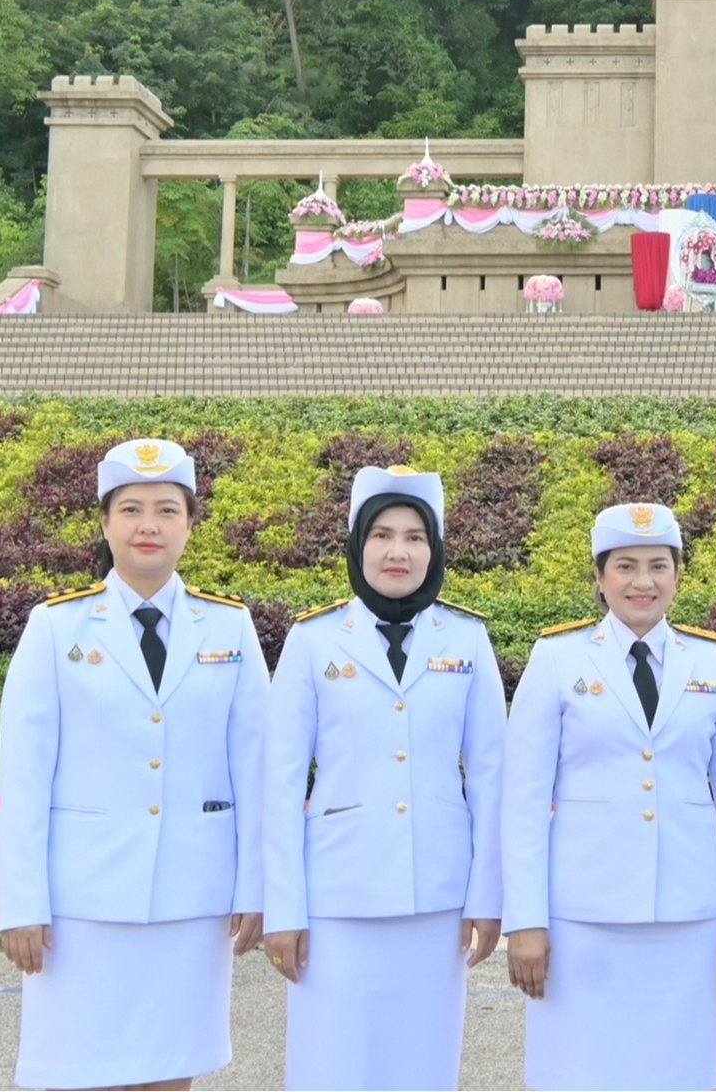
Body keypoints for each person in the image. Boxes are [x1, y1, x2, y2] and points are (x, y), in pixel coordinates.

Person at [0, 438, 268, 1091]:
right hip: (81, 903)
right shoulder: (56, 628)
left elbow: (256, 766)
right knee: (78, 1070)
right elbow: (26, 773)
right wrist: (21, 902)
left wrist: (257, 886)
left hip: (191, 896)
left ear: (190, 523)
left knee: (171, 1070)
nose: (150, 526)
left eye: (168, 510)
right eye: (132, 509)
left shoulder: (229, 628)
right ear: (105, 522)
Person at [502, 503, 716, 1091]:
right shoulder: (557, 658)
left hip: (688, 915)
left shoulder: (713, 661)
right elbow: (520, 802)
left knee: (677, 1069)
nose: (642, 582)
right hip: (581, 917)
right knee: (578, 1070)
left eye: (658, 565)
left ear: (678, 573)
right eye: (625, 566)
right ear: (599, 577)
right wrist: (525, 920)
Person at [262, 465, 506, 1090]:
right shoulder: (313, 640)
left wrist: (486, 896)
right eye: (383, 534)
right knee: (331, 1063)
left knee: (423, 1064)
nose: (399, 551)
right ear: (357, 544)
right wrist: (283, 907)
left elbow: (490, 776)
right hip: (336, 898)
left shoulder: (468, 639)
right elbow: (281, 781)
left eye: (416, 536)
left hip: (439, 896)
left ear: (436, 548)